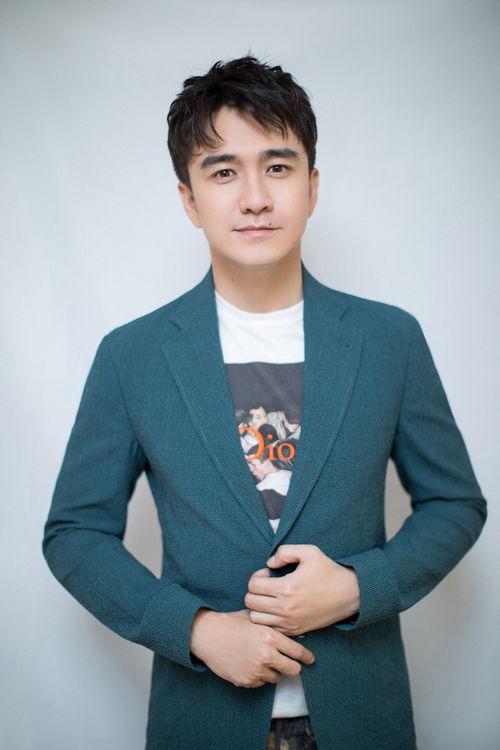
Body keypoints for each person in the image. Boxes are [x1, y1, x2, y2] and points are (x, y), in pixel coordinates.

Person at [42, 54, 487, 750]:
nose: (254, 197)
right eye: (223, 172)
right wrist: (196, 630)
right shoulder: (132, 356)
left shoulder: (388, 339)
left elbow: (455, 503)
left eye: (277, 167)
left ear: (312, 186)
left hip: (363, 717)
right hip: (202, 721)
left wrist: (359, 587)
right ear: (190, 199)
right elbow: (74, 533)